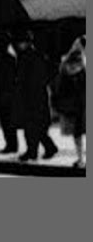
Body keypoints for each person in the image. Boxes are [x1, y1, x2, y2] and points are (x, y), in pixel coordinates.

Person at [14, 31, 58, 162]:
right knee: (35, 127)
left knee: (32, 126)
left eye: (21, 42)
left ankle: (34, 151)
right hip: (35, 96)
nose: (19, 45)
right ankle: (44, 149)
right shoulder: (34, 55)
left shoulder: (31, 57)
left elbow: (32, 78)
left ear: (27, 43)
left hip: (34, 96)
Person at [53, 34, 86, 170]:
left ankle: (81, 159)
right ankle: (81, 159)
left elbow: (61, 84)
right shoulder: (78, 59)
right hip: (81, 102)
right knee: (80, 131)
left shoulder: (69, 61)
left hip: (76, 103)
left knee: (78, 133)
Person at [0, 32, 19, 154]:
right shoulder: (1, 58)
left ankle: (12, 145)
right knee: (5, 122)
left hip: (8, 96)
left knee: (9, 122)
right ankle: (10, 144)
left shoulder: (9, 59)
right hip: (2, 94)